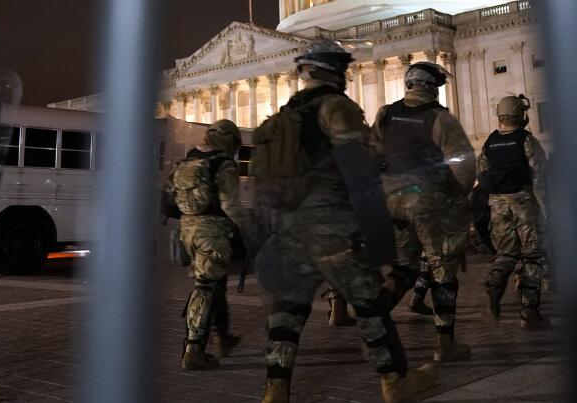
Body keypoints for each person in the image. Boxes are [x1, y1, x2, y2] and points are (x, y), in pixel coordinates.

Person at [253, 40, 436, 403]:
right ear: (337, 71)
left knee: (288, 307)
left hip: (290, 224)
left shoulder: (287, 113)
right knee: (369, 302)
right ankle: (394, 380)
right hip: (330, 225)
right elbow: (360, 172)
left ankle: (276, 388)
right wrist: (380, 234)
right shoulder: (337, 107)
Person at [370, 61, 477, 361]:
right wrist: (459, 193)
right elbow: (463, 164)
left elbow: (372, 152)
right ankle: (445, 343)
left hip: (392, 200)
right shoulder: (440, 118)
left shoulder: (386, 113)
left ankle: (376, 317)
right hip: (429, 200)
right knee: (442, 269)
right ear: (432, 88)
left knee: (404, 268)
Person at [170, 119, 245, 370]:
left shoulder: (187, 160)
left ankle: (221, 338)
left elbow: (170, 196)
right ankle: (193, 351)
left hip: (186, 230)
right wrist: (247, 231)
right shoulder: (223, 164)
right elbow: (231, 206)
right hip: (211, 233)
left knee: (214, 285)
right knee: (205, 289)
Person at [478, 94, 550, 329]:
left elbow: (483, 174)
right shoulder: (526, 140)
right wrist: (546, 209)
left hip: (497, 204)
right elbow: (540, 176)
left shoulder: (489, 143)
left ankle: (493, 286)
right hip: (524, 201)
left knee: (505, 254)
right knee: (532, 255)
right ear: (521, 114)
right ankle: (530, 313)